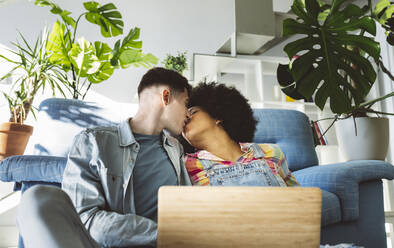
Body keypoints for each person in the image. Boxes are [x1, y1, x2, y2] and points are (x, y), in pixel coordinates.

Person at [17, 67, 193, 248]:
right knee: (36, 198)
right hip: (104, 245)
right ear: (165, 97)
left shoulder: (175, 149)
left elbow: (190, 210)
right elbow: (85, 219)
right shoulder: (93, 141)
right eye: (186, 103)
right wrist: (164, 235)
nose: (188, 114)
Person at [181, 82, 299, 187]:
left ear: (217, 116)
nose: (185, 117)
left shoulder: (271, 152)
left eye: (192, 111)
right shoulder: (185, 165)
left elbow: (300, 198)